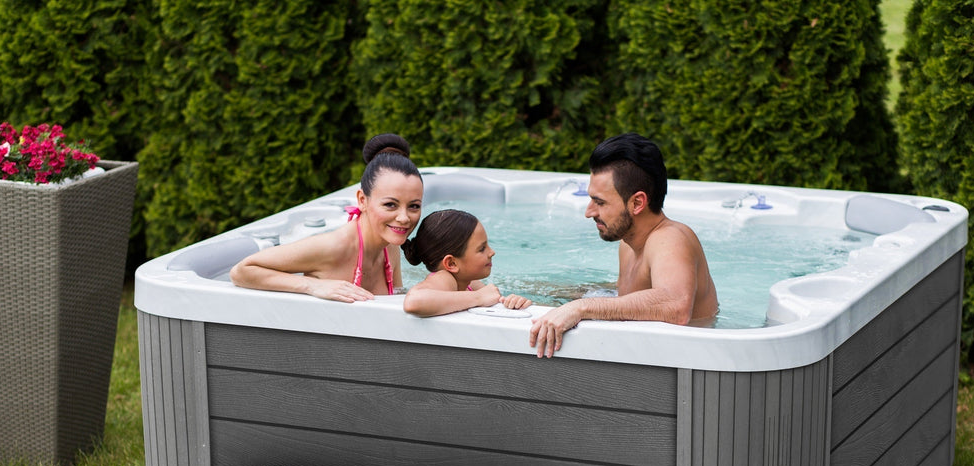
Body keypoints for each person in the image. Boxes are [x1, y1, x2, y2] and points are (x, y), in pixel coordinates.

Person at [528, 133, 718, 357]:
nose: (589, 212)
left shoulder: (672, 238)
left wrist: (580, 308)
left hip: (691, 366)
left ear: (637, 202)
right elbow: (631, 297)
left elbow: (676, 306)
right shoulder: (628, 244)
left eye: (600, 202)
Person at [230, 133, 422, 301]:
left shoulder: (390, 245)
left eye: (414, 206)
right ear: (362, 200)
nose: (404, 218)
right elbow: (242, 270)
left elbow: (396, 303)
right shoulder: (333, 247)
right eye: (390, 205)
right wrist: (312, 286)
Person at [401, 209, 532, 317]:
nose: (492, 252)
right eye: (482, 249)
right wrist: (478, 297)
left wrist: (513, 302)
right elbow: (413, 302)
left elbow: (491, 299)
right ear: (451, 263)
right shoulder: (444, 278)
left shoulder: (470, 283)